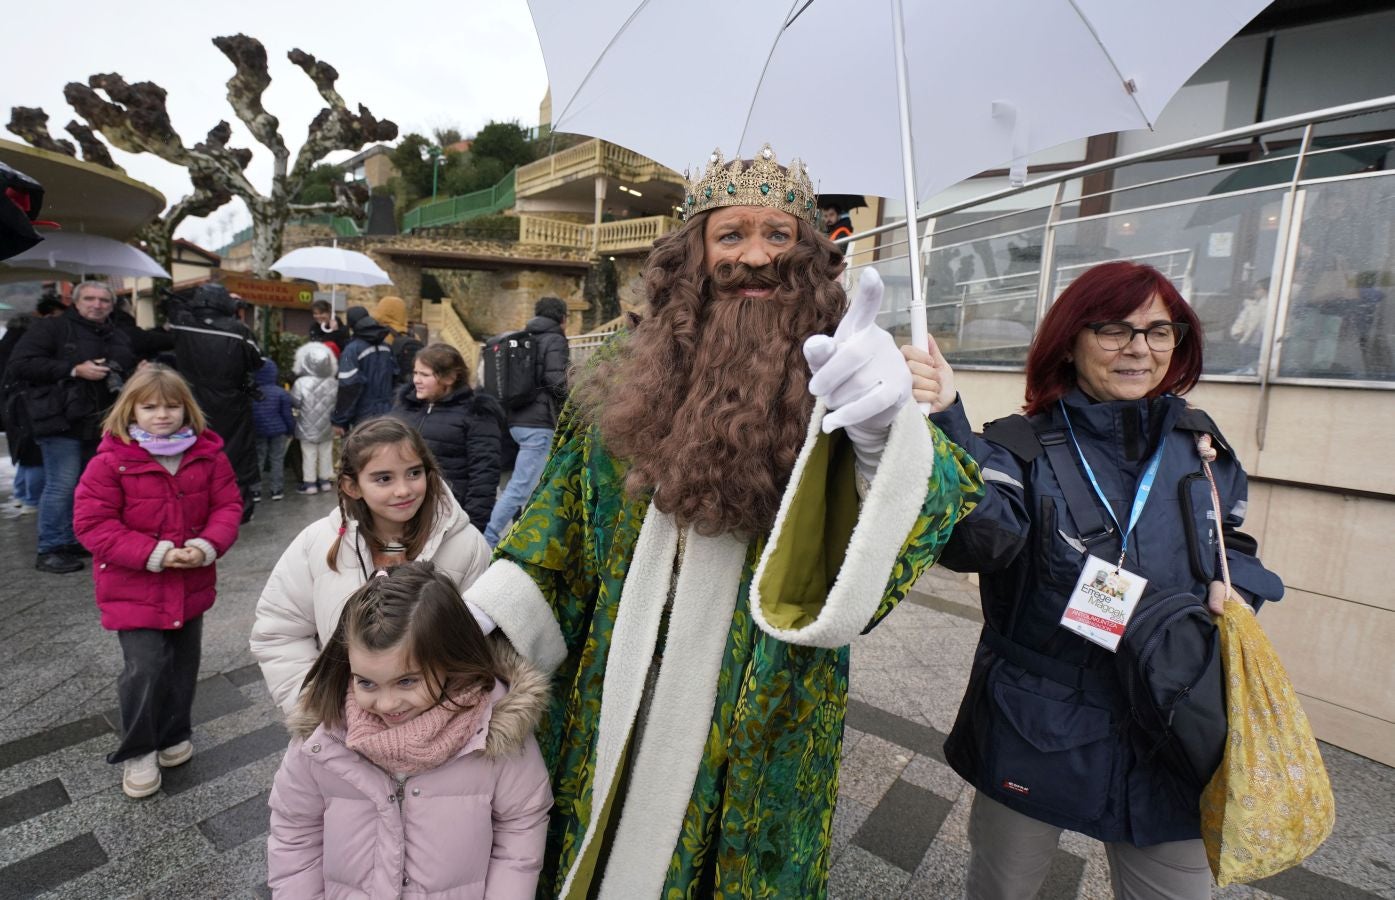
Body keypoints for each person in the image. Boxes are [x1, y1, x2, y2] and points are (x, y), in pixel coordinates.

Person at [460, 145, 982, 897]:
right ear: (694, 255)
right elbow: (557, 528)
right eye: (730, 235)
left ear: (806, 256)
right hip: (617, 678)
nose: (754, 258)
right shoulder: (616, 370)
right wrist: (473, 620)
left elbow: (943, 527)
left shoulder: (847, 372)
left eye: (778, 236)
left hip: (760, 697)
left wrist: (886, 443)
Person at [906, 260, 1286, 900]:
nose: (1139, 348)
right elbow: (980, 540)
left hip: (1173, 722)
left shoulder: (1199, 443)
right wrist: (945, 419)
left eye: (1159, 331)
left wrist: (1238, 588)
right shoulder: (1015, 446)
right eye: (1114, 329)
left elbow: (1233, 539)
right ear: (1070, 341)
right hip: (1039, 721)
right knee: (1004, 887)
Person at [266, 561, 551, 898]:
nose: (387, 704)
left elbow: (520, 828)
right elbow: (295, 831)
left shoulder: (495, 732)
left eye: (407, 681)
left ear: (449, 659)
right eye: (366, 682)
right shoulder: (323, 736)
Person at [71, 365, 242, 798]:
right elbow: (93, 524)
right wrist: (157, 554)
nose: (161, 415)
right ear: (131, 409)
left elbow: (228, 506)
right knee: (145, 668)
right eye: (149, 407)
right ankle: (140, 747)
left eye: (171, 406)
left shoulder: (208, 456)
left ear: (188, 409)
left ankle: (173, 732)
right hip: (134, 588)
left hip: (190, 586)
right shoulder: (110, 462)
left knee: (184, 665)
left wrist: (205, 545)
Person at [250, 417, 492, 714]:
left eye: (414, 473)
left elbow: (480, 646)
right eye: (384, 479)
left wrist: (446, 715)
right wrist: (316, 709)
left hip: (438, 724)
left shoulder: (465, 545)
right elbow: (279, 632)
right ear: (352, 486)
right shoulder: (318, 542)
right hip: (342, 725)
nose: (403, 490)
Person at [7, 280, 137, 574]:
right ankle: (50, 547)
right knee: (61, 484)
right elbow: (20, 365)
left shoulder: (114, 333)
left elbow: (128, 358)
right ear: (75, 302)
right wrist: (74, 369)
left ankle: (71, 538)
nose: (97, 304)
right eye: (90, 298)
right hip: (59, 420)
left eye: (104, 300)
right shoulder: (51, 328)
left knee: (87, 486)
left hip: (99, 420)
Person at [481, 296, 570, 547]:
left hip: (515, 421)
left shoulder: (524, 337)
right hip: (538, 425)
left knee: (529, 485)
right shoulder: (555, 340)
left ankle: (524, 538)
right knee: (520, 488)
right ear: (562, 319)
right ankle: (487, 538)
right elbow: (556, 380)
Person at [170, 283, 263, 521]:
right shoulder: (238, 331)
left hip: (190, 399)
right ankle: (238, 507)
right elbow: (257, 361)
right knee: (234, 452)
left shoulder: (181, 323)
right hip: (231, 401)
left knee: (193, 451)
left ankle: (195, 506)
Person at [391, 342, 505, 527]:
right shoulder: (404, 408)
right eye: (415, 373)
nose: (416, 380)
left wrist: (473, 524)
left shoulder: (476, 414)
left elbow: (484, 474)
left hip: (448, 515)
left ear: (449, 378)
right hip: (403, 511)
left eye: (425, 375)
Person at [331, 306, 396, 434]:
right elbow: (395, 379)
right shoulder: (386, 347)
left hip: (364, 416)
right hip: (389, 413)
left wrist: (339, 421)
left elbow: (348, 388)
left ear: (351, 325)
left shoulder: (352, 350)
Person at [289, 341, 338, 494]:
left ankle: (310, 484)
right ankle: (325, 482)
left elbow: (295, 403)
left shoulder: (300, 383)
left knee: (309, 454)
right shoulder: (333, 382)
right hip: (327, 425)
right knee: (326, 453)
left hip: (306, 426)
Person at [251, 358, 295, 502]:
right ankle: (276, 490)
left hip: (258, 431)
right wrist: (291, 430)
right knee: (277, 459)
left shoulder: (252, 393)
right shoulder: (281, 393)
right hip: (278, 431)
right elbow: (287, 415)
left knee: (258, 459)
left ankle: (255, 491)